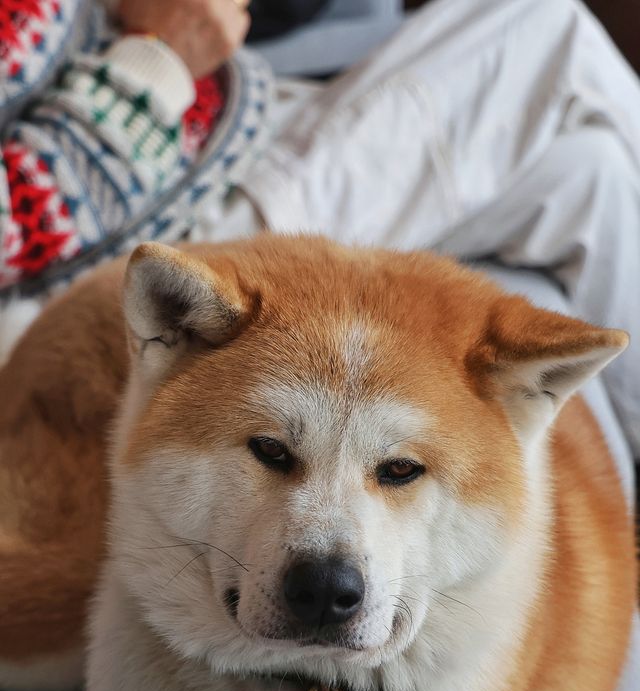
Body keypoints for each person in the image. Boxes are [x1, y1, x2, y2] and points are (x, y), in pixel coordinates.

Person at [1, 0, 639, 458]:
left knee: (590, 173)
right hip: (169, 251)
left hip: (218, 155)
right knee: (542, 24)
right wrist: (157, 58)